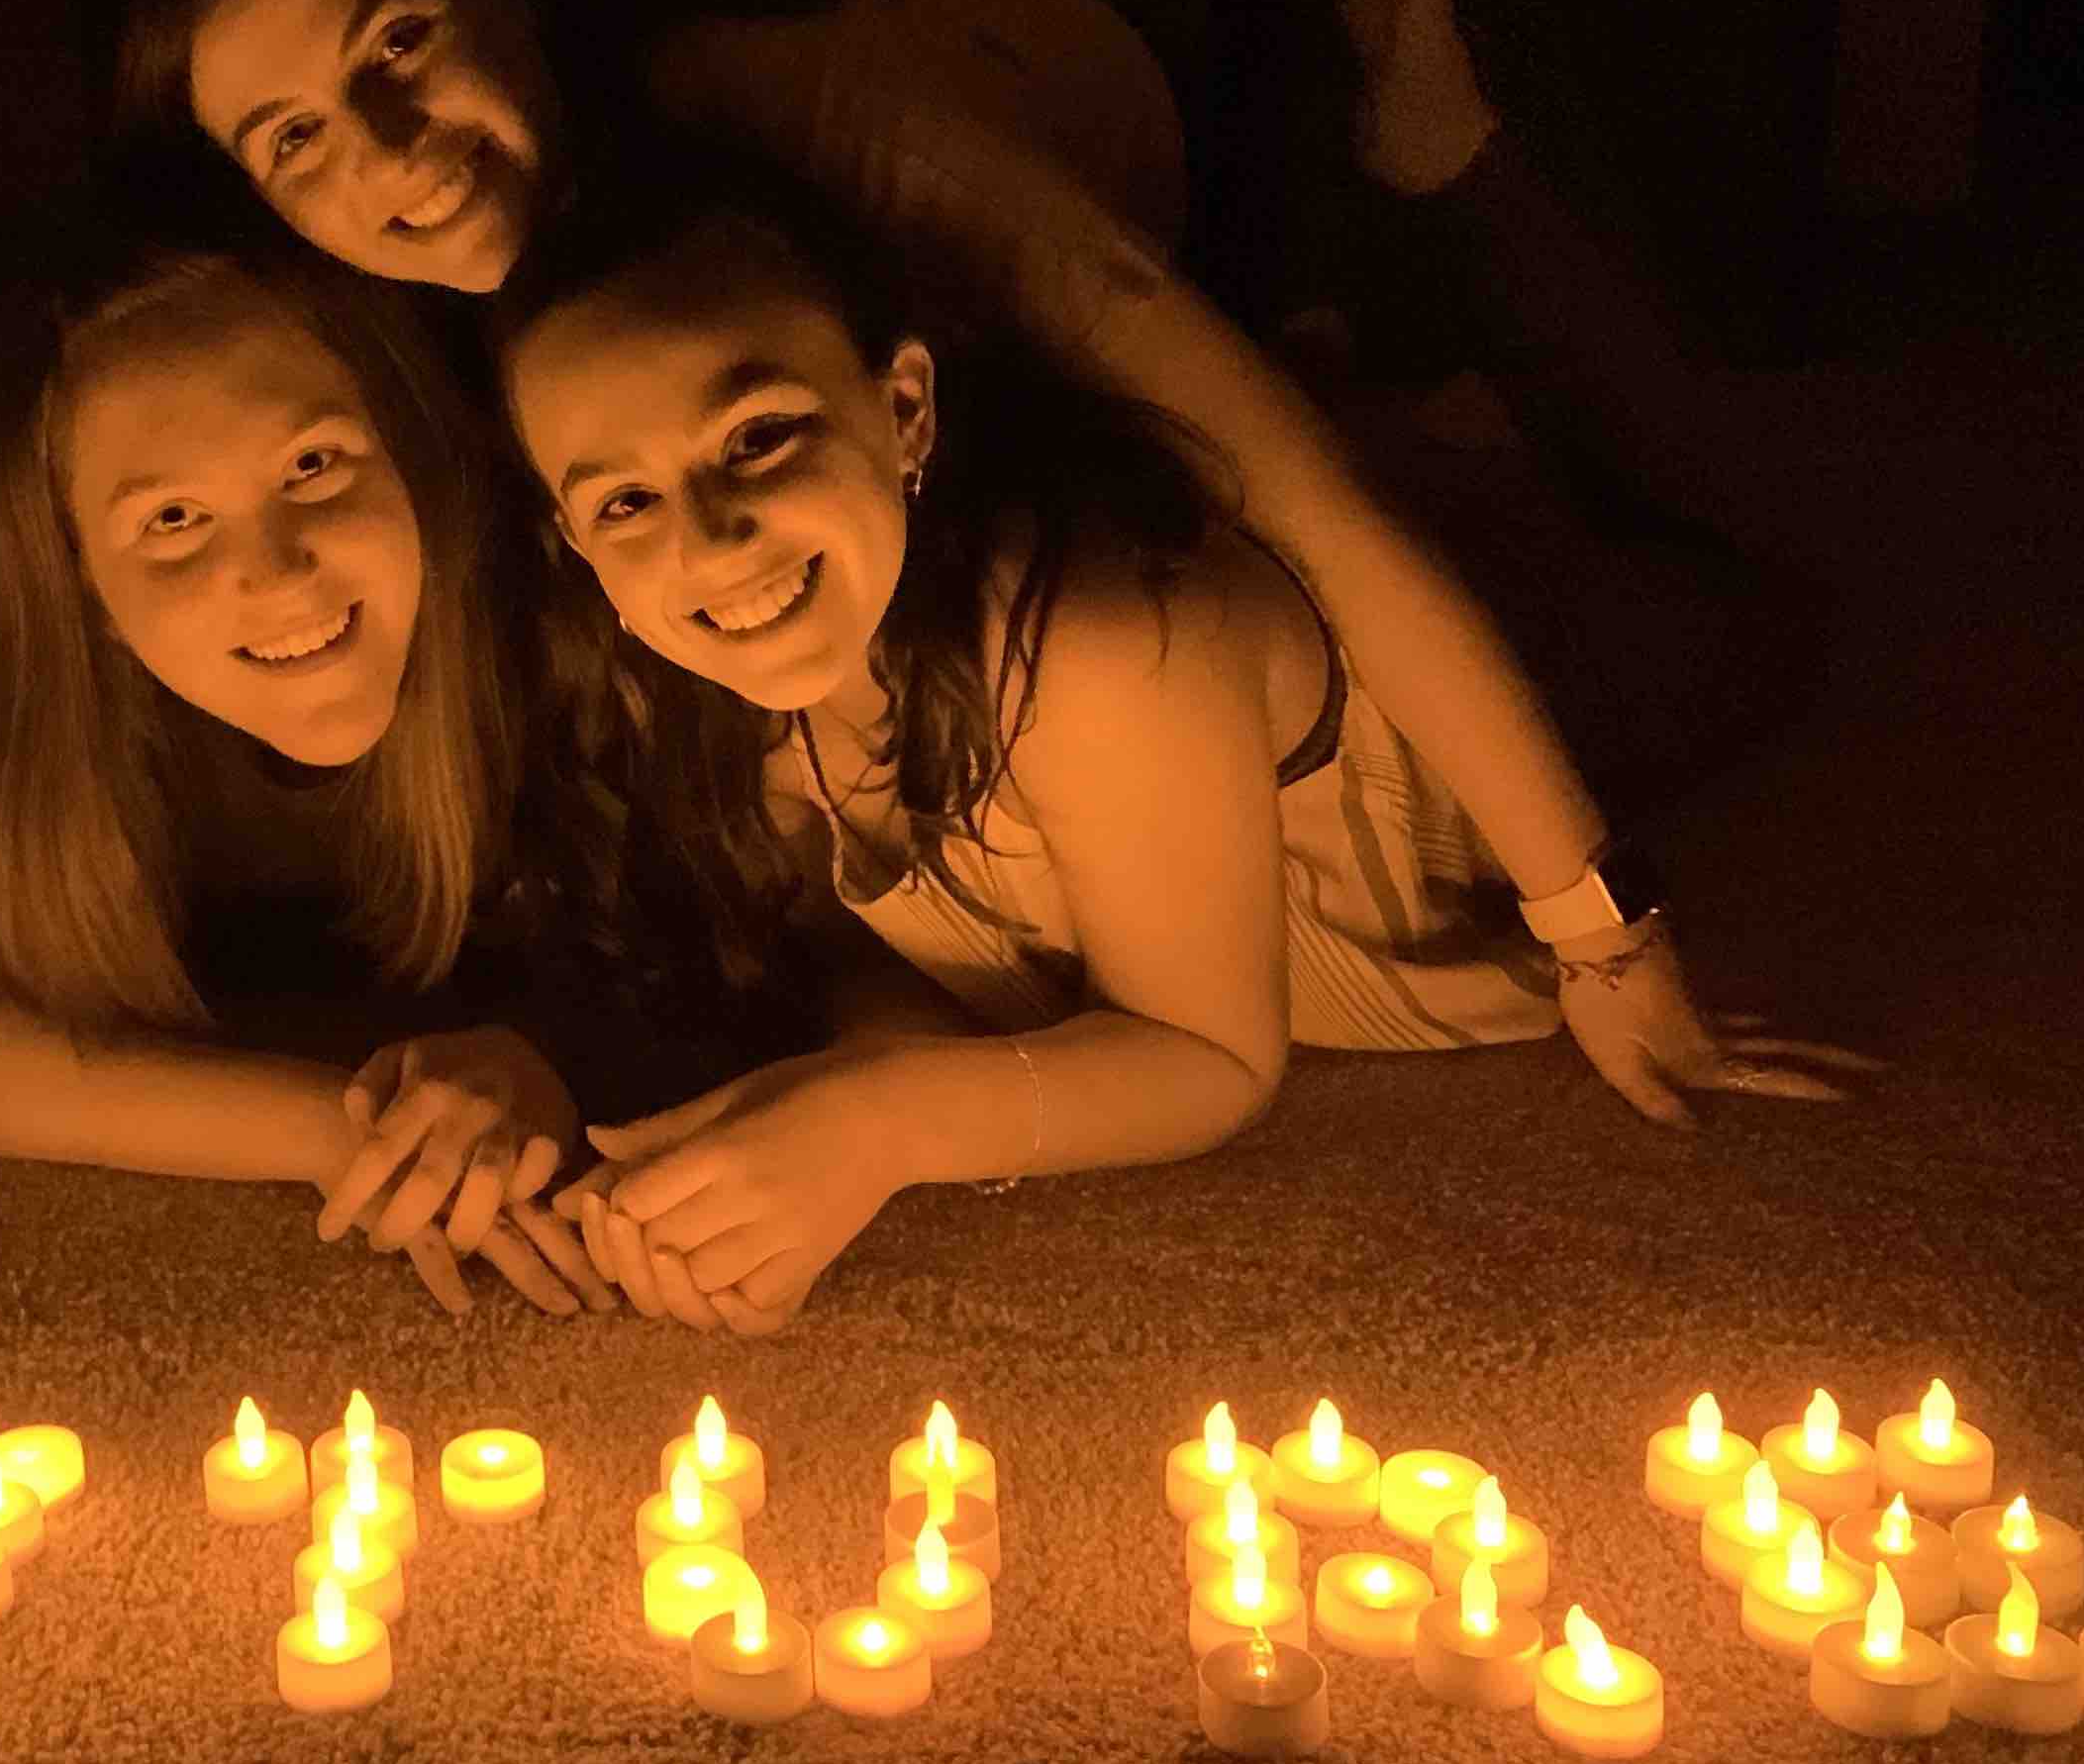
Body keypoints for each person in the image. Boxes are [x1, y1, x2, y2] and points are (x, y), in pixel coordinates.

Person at [116, 0, 1831, 1128]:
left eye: (399, 39)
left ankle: (1449, 169)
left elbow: (1296, 501)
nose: (381, 138)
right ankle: (1396, 377)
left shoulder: (801, 122)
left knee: (1738, 576)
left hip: (1075, 118)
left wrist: (1599, 932)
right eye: (290, 138)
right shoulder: (397, 331)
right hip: (953, 462)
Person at [485, 150, 1871, 1331]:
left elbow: (1208, 1054)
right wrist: (820, 1101)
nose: (709, 539)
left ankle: (1470, 233)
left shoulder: (1091, 640)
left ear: (902, 409)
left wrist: (882, 1124)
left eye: (757, 437)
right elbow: (864, 960)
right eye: (623, 504)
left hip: (1550, 654)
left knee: (1762, 583)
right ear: (574, 542)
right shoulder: (710, 692)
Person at [0, 172, 646, 1317]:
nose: (276, 571)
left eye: (312, 464)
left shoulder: (562, 621)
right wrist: (340, 1130)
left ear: (413, 459)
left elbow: (717, 953)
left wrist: (538, 1060)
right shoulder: (30, 670)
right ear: (87, 595)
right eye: (173, 518)